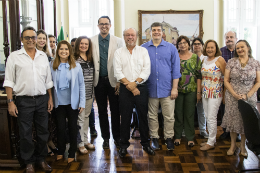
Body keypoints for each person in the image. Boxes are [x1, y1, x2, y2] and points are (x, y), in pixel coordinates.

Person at [3, 26, 53, 173]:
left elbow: (48, 80)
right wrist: (10, 102)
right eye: (27, 38)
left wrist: (50, 99)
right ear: (22, 40)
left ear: (36, 39)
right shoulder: (14, 56)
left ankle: (41, 159)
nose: (31, 40)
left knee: (43, 131)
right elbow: (9, 81)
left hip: (42, 99)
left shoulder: (43, 56)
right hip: (23, 101)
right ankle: (29, 162)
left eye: (33, 37)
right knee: (25, 133)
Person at [114, 27, 154, 157]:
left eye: (132, 35)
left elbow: (146, 70)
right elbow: (118, 72)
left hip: (141, 88)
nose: (130, 37)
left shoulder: (143, 51)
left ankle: (146, 144)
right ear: (124, 37)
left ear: (136, 36)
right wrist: (131, 86)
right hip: (125, 89)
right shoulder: (118, 52)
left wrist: (135, 84)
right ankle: (124, 145)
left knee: (143, 117)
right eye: (127, 35)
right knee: (125, 117)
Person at [142, 22, 181, 151]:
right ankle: (154, 138)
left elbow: (176, 70)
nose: (156, 32)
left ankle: (168, 138)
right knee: (152, 116)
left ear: (162, 32)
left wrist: (175, 88)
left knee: (169, 116)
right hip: (150, 88)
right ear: (150, 32)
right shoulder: (143, 48)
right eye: (154, 30)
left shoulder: (171, 48)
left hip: (167, 89)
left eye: (158, 30)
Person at [221, 40, 260, 156]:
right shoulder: (231, 62)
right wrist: (233, 94)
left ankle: (243, 146)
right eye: (237, 48)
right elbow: (226, 80)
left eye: (242, 47)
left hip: (249, 97)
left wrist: (247, 95)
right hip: (232, 97)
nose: (239, 50)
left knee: (245, 122)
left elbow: (258, 82)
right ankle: (233, 145)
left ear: (248, 47)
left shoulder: (256, 63)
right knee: (233, 122)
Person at [91, 16, 124, 148]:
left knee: (115, 111)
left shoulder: (118, 41)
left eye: (106, 24)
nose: (104, 26)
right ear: (98, 26)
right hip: (98, 81)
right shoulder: (92, 41)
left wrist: (120, 81)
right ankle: (105, 138)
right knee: (102, 111)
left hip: (114, 81)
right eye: (101, 24)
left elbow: (121, 61)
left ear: (110, 25)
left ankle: (117, 137)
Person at [50, 40, 85, 163]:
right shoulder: (52, 65)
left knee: (72, 127)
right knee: (60, 127)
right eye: (61, 49)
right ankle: (60, 150)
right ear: (57, 51)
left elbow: (81, 86)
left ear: (70, 51)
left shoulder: (76, 66)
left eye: (66, 49)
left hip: (72, 103)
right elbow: (49, 84)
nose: (63, 51)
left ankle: (72, 151)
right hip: (58, 103)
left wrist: (82, 103)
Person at [174, 35, 202, 147]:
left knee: (190, 114)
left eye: (185, 42)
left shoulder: (195, 57)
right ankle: (177, 136)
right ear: (178, 45)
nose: (182, 44)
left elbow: (199, 75)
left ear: (188, 44)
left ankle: (190, 138)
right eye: (180, 43)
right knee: (178, 114)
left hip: (192, 90)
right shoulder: (175, 56)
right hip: (177, 91)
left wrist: (199, 92)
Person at [200, 40, 226, 151]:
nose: (210, 49)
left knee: (211, 117)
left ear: (216, 49)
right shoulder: (204, 59)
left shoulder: (220, 60)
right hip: (205, 92)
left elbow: (227, 78)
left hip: (216, 93)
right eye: (208, 47)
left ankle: (210, 142)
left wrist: (224, 94)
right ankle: (211, 140)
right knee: (207, 116)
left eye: (212, 47)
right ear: (205, 48)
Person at [36, 30, 58, 157]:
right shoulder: (34, 54)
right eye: (40, 38)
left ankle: (49, 141)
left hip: (50, 91)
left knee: (50, 119)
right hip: (39, 91)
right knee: (41, 121)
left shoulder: (48, 55)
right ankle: (44, 144)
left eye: (44, 38)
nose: (42, 41)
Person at [74, 36, 95, 154]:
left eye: (86, 44)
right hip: (79, 94)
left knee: (86, 117)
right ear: (78, 45)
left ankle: (86, 140)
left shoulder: (90, 58)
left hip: (89, 93)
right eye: (81, 44)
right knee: (80, 119)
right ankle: (80, 143)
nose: (84, 46)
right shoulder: (74, 59)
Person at [219, 31, 238, 140]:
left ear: (236, 38)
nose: (229, 39)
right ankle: (226, 131)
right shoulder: (220, 52)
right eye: (227, 37)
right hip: (223, 85)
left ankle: (237, 132)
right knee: (224, 108)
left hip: (237, 85)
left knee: (237, 110)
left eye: (231, 37)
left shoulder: (240, 50)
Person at [191, 38, 209, 138]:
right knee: (189, 111)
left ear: (202, 46)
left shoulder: (206, 59)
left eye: (199, 44)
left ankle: (202, 130)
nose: (197, 46)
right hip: (191, 87)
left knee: (201, 111)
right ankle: (188, 130)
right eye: (194, 44)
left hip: (203, 88)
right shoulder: (190, 57)